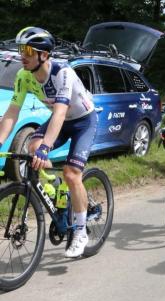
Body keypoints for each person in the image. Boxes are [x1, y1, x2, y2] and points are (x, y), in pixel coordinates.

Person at [0, 27, 97, 257]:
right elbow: (12, 113)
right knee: (32, 147)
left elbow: (60, 112)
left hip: (83, 120)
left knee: (72, 173)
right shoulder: (24, 76)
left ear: (44, 54)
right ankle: (57, 191)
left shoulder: (63, 73)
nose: (22, 55)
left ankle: (81, 232)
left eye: (28, 51)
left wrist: (46, 147)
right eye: (21, 49)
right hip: (60, 120)